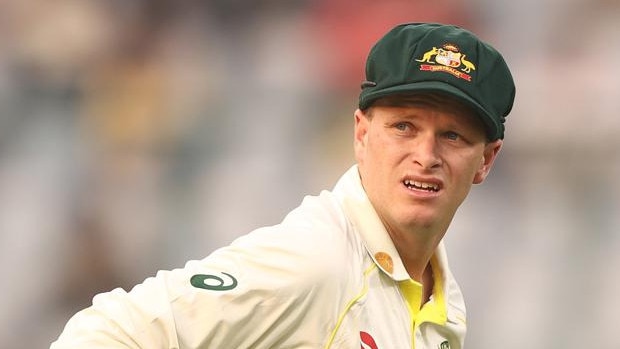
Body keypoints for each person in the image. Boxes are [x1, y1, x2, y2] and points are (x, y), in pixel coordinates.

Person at [51, 22, 515, 349]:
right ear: (360, 133)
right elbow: (109, 333)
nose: (426, 155)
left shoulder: (444, 304)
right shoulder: (317, 262)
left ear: (486, 160)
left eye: (452, 135)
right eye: (404, 127)